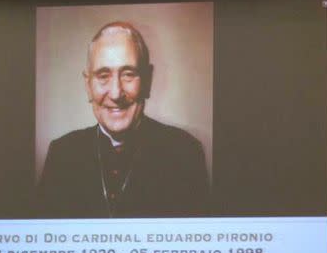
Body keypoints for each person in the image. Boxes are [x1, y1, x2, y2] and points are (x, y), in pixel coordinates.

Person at [37, 21, 209, 218]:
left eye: (128, 74)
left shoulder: (185, 153)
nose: (116, 93)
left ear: (147, 81)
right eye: (103, 75)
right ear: (88, 86)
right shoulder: (61, 155)